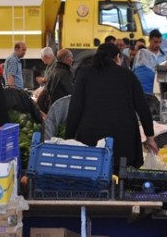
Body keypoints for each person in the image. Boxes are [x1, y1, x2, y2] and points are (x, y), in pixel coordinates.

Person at [65, 42, 158, 172]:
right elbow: (142, 108)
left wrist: (68, 139)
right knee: (120, 179)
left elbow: (75, 108)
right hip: (123, 140)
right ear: (117, 58)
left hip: (91, 138)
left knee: (93, 175)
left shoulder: (84, 74)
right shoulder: (127, 75)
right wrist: (150, 137)